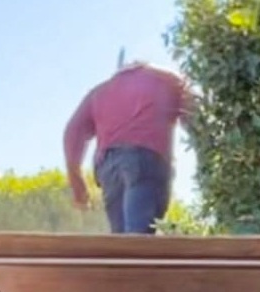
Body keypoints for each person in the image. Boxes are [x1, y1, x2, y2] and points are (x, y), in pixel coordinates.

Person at [63, 60, 194, 234]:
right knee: (138, 236)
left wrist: (77, 182)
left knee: (121, 238)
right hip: (146, 160)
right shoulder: (168, 80)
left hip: (109, 167)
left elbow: (73, 132)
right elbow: (196, 117)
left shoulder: (100, 92)